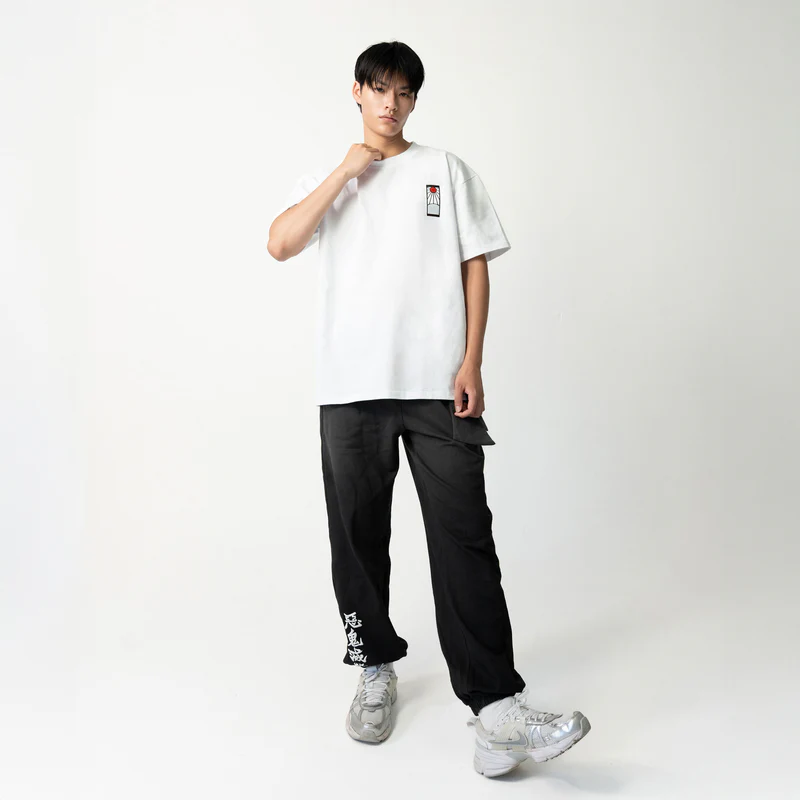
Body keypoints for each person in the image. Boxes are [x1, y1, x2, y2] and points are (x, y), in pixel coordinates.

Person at [267, 40, 591, 778]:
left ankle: (496, 710)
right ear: (356, 92)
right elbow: (281, 243)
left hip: (439, 386)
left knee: (464, 535)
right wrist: (346, 172)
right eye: (379, 89)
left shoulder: (446, 169)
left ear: (415, 99)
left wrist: (471, 360)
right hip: (350, 388)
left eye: (404, 92)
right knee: (357, 536)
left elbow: (475, 265)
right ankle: (373, 667)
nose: (391, 103)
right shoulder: (329, 178)